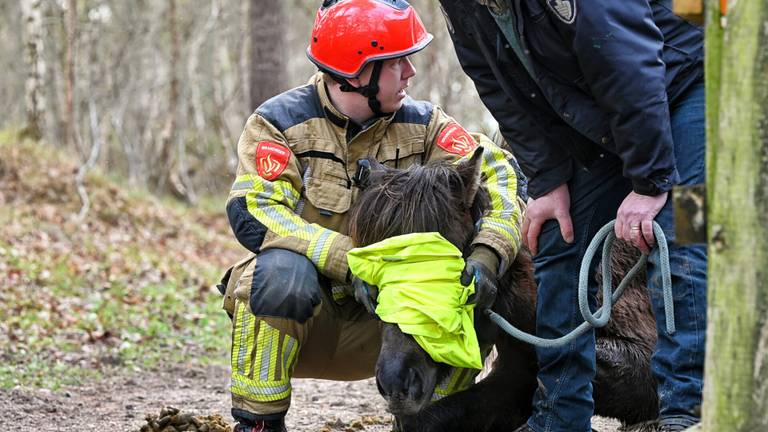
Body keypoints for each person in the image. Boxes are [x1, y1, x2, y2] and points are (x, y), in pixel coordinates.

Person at [220, 1, 523, 431]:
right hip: (315, 318)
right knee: (273, 276)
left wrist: (488, 254)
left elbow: (500, 176)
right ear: (356, 70)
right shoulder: (278, 124)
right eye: (397, 62)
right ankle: (259, 423)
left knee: (475, 283)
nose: (410, 73)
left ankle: (429, 423)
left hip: (403, 319)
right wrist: (349, 260)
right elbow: (255, 209)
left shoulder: (427, 125)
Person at [438, 1, 706, 431]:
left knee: (685, 234)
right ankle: (559, 416)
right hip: (605, 104)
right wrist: (547, 180)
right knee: (556, 239)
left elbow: (627, 60)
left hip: (685, 81)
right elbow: (497, 85)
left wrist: (650, 181)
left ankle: (684, 411)